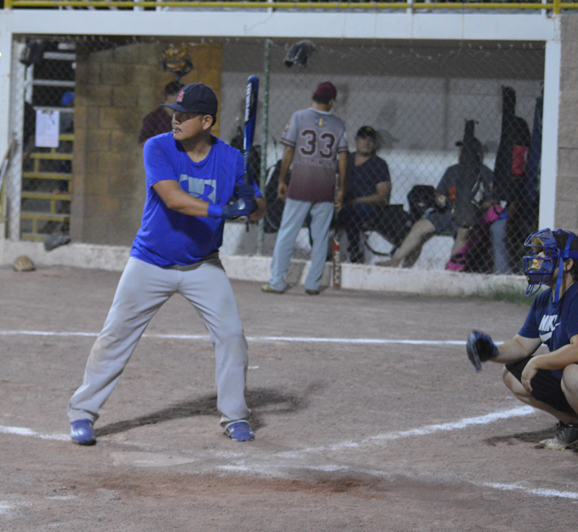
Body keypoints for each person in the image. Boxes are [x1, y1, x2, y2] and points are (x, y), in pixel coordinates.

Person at [67, 83, 266, 445]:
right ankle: (82, 413)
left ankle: (235, 415)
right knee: (115, 336)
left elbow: (258, 210)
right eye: (175, 112)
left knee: (232, 337)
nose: (175, 119)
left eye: (185, 115)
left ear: (206, 121)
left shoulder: (233, 159)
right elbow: (174, 199)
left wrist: (252, 189)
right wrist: (225, 209)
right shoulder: (157, 146)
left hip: (203, 265)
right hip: (150, 261)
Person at [467, 229, 578, 450]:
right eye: (536, 252)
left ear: (567, 264)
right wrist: (492, 352)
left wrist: (537, 362)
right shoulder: (544, 300)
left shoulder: (576, 296)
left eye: (545, 253)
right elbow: (521, 345)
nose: (537, 259)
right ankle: (573, 425)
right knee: (511, 373)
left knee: (572, 374)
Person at [262, 81, 348, 295]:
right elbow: (344, 158)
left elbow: (288, 151)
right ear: (330, 102)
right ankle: (312, 284)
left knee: (287, 234)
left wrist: (282, 179)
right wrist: (341, 189)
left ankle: (277, 282)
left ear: (312, 96)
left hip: (300, 184)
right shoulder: (338, 124)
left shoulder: (299, 117)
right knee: (320, 238)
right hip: (325, 187)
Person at [376, 137, 493, 269]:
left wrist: (472, 210)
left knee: (463, 232)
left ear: (476, 154)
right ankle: (395, 260)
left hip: (469, 217)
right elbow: (439, 195)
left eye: (465, 151)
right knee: (420, 226)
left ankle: (451, 268)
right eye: (460, 151)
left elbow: (490, 202)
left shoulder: (485, 173)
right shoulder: (452, 171)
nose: (461, 154)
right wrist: (440, 201)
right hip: (447, 213)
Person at [336, 125, 391, 263]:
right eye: (363, 139)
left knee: (352, 211)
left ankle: (354, 251)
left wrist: (355, 201)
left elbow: (383, 197)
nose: (366, 143)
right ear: (356, 140)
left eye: (370, 140)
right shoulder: (345, 160)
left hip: (366, 208)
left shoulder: (379, 164)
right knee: (318, 212)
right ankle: (319, 252)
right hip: (342, 204)